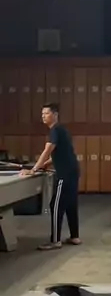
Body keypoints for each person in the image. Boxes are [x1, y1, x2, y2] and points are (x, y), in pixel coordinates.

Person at [20, 103, 81, 250]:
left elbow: (47, 151)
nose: (43, 116)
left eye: (46, 113)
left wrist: (34, 169)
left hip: (64, 174)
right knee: (70, 204)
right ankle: (75, 237)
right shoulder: (62, 130)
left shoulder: (54, 130)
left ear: (55, 115)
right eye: (42, 114)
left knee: (56, 205)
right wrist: (45, 164)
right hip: (73, 171)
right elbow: (60, 153)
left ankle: (55, 241)